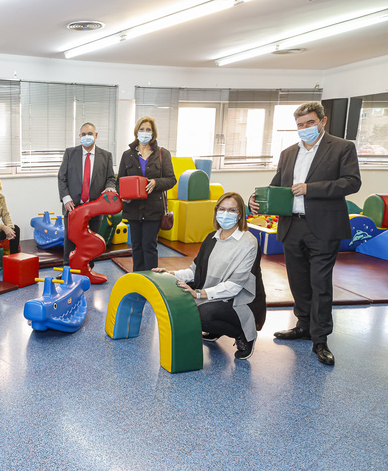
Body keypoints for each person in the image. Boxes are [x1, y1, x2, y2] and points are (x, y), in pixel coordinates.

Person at [249, 101, 361, 366]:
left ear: (322, 122)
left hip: (324, 226)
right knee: (298, 280)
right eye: (300, 125)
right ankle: (303, 326)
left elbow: (352, 182)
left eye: (310, 123)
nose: (305, 128)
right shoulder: (289, 153)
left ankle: (320, 339)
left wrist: (311, 188)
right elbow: (278, 184)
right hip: (292, 225)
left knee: (320, 283)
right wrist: (257, 198)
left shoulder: (343, 148)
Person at [153, 192, 266, 360]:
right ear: (216, 211)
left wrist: (199, 294)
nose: (226, 213)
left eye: (232, 210)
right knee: (188, 310)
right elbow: (194, 271)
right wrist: (172, 274)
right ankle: (216, 329)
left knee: (201, 315)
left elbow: (235, 286)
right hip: (214, 297)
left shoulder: (248, 242)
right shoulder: (211, 238)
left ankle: (244, 334)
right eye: (222, 209)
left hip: (241, 301)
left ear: (240, 214)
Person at [117, 116, 176, 271]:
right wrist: (124, 195)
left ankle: (151, 282)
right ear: (136, 132)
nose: (144, 132)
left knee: (149, 245)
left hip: (154, 209)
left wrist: (156, 183)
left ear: (153, 133)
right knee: (136, 246)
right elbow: (119, 182)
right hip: (133, 209)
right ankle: (138, 279)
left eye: (148, 129)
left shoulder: (163, 154)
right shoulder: (127, 155)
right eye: (142, 129)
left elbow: (171, 180)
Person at [57, 122, 117, 266]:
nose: (86, 137)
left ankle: (87, 270)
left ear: (96, 135)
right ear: (79, 137)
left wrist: (110, 187)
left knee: (91, 241)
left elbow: (111, 178)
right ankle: (68, 271)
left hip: (95, 208)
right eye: (83, 134)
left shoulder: (106, 156)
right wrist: (66, 198)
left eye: (90, 134)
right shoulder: (70, 153)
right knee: (70, 239)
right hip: (73, 206)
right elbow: (62, 177)